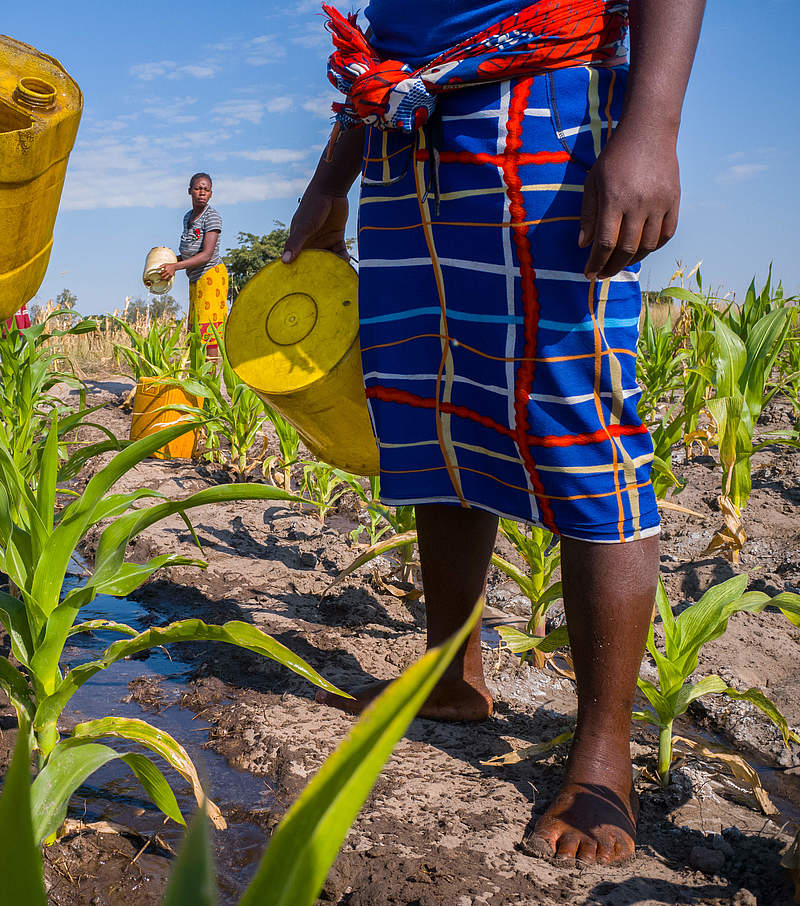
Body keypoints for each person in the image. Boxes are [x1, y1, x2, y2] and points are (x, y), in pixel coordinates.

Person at [282, 0, 703, 866]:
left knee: (576, 410)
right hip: (406, 128)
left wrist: (650, 125)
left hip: (540, 105)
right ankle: (451, 675)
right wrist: (335, 176)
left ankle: (602, 760)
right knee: (433, 404)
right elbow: (396, 24)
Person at [158, 173, 228, 357]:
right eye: (198, 188)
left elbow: (206, 255)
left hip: (211, 276)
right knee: (195, 329)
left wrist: (175, 267)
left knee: (209, 330)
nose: (201, 193)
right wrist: (170, 261)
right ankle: (198, 375)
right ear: (190, 191)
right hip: (195, 278)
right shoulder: (188, 217)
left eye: (206, 189)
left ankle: (210, 378)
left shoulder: (212, 217)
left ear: (211, 193)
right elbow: (190, 252)